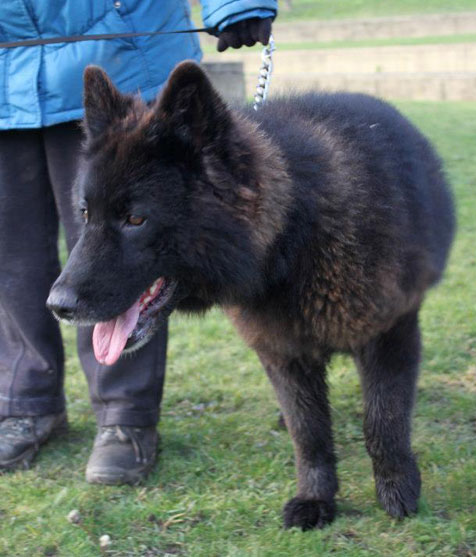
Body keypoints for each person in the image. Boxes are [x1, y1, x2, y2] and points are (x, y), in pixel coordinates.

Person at [0, 0, 276, 484]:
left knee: (123, 253)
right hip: (5, 72)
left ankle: (123, 416)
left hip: (119, 48)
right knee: (11, 252)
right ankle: (26, 400)